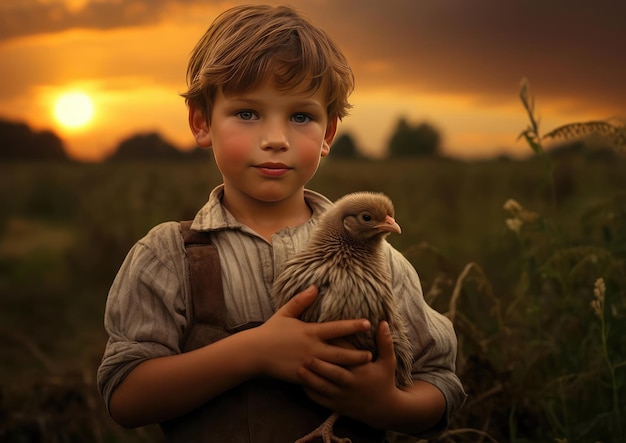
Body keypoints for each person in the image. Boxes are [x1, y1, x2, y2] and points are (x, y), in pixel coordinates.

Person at [97, 4, 466, 442]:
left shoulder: (383, 263)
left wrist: (389, 404)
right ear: (202, 122)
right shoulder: (166, 256)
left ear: (328, 134)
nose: (276, 139)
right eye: (248, 113)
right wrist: (254, 352)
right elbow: (124, 397)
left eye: (301, 116)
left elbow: (441, 382)